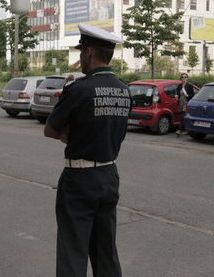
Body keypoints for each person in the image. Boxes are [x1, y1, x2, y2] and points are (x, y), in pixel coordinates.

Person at [44, 23, 130, 277]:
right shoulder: (124, 90)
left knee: (73, 251)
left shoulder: (79, 89)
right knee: (106, 251)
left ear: (90, 52)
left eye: (81, 52)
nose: (80, 58)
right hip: (108, 176)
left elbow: (49, 129)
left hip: (79, 179)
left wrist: (66, 132)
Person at [175, 73, 197, 137]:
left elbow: (193, 94)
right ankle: (187, 130)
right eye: (182, 77)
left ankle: (179, 130)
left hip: (186, 102)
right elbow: (178, 94)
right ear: (181, 78)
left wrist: (188, 95)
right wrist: (176, 96)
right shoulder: (179, 86)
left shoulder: (189, 86)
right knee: (183, 117)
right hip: (180, 102)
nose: (184, 78)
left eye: (185, 77)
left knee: (183, 116)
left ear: (187, 78)